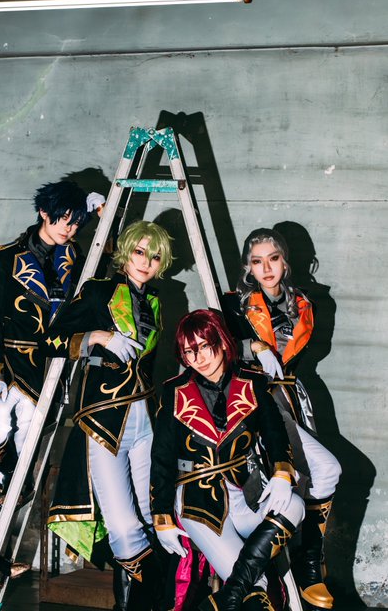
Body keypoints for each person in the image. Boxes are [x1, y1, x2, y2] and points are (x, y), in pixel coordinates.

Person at [0, 180, 104, 579]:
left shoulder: (75, 257)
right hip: (8, 367)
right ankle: (14, 477)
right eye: (64, 219)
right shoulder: (4, 258)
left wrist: (101, 219)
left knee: (13, 469)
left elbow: (106, 276)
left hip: (46, 373)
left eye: (76, 222)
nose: (70, 229)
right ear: (44, 212)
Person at [37, 220, 173, 611]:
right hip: (104, 423)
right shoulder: (99, 291)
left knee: (154, 519)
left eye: (155, 256)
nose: (146, 261)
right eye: (139, 251)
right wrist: (98, 337)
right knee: (125, 528)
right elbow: (49, 340)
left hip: (146, 422)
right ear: (126, 251)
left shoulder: (156, 300)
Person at [150, 309, 305, 611]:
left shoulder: (253, 382)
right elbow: (162, 458)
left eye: (204, 346)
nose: (198, 358)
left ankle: (228, 596)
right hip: (199, 504)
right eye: (189, 351)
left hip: (247, 495)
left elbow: (275, 434)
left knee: (295, 506)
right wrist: (162, 516)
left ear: (221, 342)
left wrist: (282, 473)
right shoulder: (174, 391)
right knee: (256, 589)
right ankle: (235, 594)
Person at [223, 228, 341, 611]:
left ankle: (309, 565)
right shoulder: (234, 304)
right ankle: (299, 571)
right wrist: (253, 345)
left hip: (292, 398)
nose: (267, 268)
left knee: (319, 476)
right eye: (257, 261)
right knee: (319, 472)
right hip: (256, 404)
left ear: (285, 260)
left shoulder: (304, 304)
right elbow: (216, 348)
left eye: (273, 258)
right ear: (248, 267)